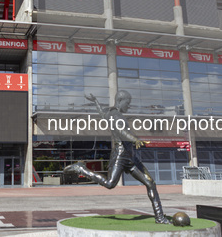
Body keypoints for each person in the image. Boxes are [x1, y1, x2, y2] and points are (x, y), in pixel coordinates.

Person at [64, 90, 170, 224]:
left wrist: (95, 101)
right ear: (120, 101)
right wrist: (134, 139)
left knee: (150, 183)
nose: (129, 106)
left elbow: (102, 114)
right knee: (110, 184)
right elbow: (121, 132)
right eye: (128, 103)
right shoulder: (115, 115)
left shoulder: (112, 114)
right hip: (120, 155)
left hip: (131, 158)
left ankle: (160, 217)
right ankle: (81, 169)